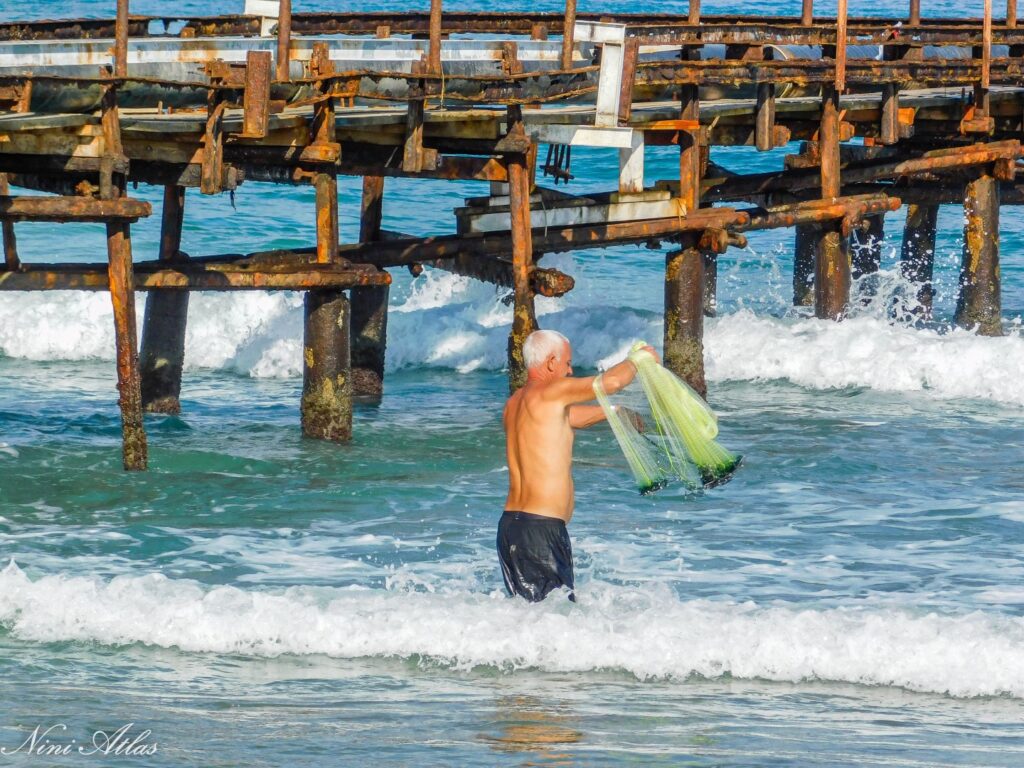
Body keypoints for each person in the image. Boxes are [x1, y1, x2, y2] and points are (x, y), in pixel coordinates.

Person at [499, 329, 658, 602]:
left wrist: (615, 412)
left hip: (511, 528)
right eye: (567, 363)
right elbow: (611, 383)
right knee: (556, 620)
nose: (570, 371)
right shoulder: (553, 390)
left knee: (528, 619)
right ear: (550, 362)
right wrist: (639, 359)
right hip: (542, 531)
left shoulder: (514, 404)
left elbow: (569, 418)